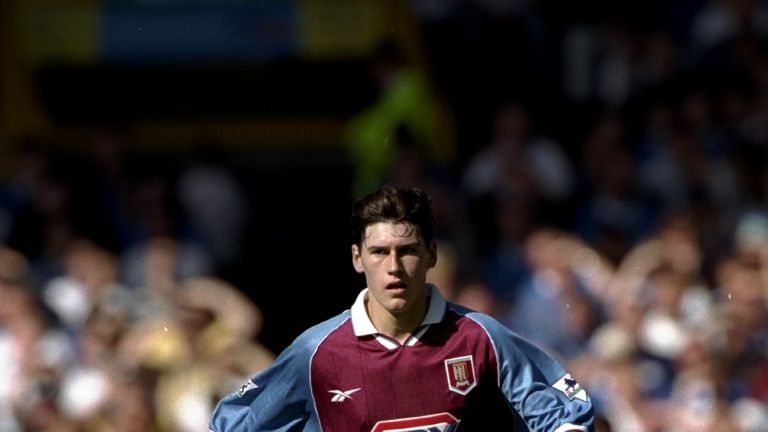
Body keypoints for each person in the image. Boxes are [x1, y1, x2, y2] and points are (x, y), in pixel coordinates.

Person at [209, 185, 594, 431]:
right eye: (379, 252)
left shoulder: (481, 337)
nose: (393, 267)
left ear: (431, 255)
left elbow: (566, 413)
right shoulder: (316, 354)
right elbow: (233, 423)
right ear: (357, 259)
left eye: (407, 251)